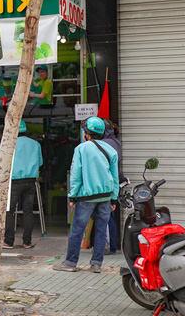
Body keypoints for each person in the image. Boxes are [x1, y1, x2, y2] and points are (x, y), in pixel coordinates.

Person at [53, 117, 119, 273]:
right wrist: (114, 198)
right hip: (106, 197)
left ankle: (70, 263)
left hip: (86, 198)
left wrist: (73, 196)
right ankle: (96, 264)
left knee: (77, 230)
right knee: (101, 230)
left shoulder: (81, 149)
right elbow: (115, 177)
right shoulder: (111, 150)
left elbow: (76, 175)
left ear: (87, 133)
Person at [4, 120, 43, 249]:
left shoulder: (10, 144)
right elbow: (40, 162)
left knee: (10, 211)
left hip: (15, 182)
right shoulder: (35, 144)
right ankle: (27, 242)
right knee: (28, 212)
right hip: (31, 182)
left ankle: (8, 241)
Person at [101, 119, 124, 255]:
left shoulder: (103, 143)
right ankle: (112, 245)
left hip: (106, 182)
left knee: (106, 216)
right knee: (110, 215)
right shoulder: (116, 141)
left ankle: (110, 246)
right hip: (115, 181)